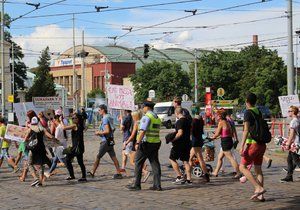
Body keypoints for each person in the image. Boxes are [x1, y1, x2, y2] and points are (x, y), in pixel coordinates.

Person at [127, 101, 162, 191]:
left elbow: (142, 131)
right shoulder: (157, 117)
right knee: (155, 164)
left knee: (138, 163)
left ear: (147, 107)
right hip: (155, 143)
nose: (142, 109)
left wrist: (137, 143)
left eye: (143, 107)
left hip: (145, 143)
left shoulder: (146, 117)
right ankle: (157, 185)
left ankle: (137, 185)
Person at [239, 93, 266, 201]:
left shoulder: (248, 112)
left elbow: (246, 130)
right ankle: (260, 196)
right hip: (261, 144)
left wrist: (242, 145)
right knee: (258, 170)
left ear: (246, 101)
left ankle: (258, 188)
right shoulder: (258, 111)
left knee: (242, 167)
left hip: (253, 145)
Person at [88, 105, 123, 179]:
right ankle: (118, 172)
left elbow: (107, 131)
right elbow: (113, 129)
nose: (98, 111)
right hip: (110, 139)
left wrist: (98, 132)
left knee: (98, 156)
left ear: (103, 110)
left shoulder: (105, 118)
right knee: (113, 157)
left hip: (106, 141)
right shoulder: (109, 117)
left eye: (99, 110)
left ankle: (92, 172)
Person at [25, 116, 55, 187]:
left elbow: (25, 139)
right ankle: (40, 182)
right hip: (41, 149)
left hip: (33, 149)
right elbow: (50, 136)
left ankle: (35, 178)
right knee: (41, 164)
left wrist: (30, 139)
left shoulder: (30, 129)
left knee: (29, 163)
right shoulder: (42, 129)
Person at [211, 111, 241, 178]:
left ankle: (238, 173)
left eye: (217, 115)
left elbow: (217, 133)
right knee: (220, 157)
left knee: (231, 158)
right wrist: (217, 136)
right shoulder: (227, 122)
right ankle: (215, 172)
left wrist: (213, 137)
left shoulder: (221, 122)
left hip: (225, 142)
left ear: (220, 116)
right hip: (229, 140)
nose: (216, 117)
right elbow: (226, 133)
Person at [169, 107, 192, 184]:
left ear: (177, 113)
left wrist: (173, 139)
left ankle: (179, 176)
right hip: (187, 143)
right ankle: (189, 179)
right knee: (186, 161)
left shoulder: (179, 122)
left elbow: (180, 133)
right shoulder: (188, 121)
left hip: (179, 144)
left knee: (172, 158)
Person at [62, 113, 87, 182]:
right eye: (72, 118)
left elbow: (63, 128)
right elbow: (85, 127)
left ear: (78, 119)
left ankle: (72, 175)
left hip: (76, 147)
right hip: (79, 146)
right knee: (80, 162)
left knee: (67, 160)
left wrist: (60, 120)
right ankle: (83, 177)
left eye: (74, 118)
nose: (73, 119)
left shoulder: (74, 125)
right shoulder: (81, 125)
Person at [281, 105, 300, 182]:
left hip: (295, 143)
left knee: (296, 160)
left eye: (289, 111)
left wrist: (288, 143)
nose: (288, 112)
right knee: (289, 159)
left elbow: (292, 134)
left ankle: (289, 176)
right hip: (295, 142)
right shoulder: (296, 120)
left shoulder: (294, 121)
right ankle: (289, 176)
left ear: (293, 112)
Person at [190, 114, 210, 182]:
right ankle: (187, 174)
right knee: (190, 158)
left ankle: (206, 174)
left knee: (199, 158)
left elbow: (191, 132)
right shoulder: (200, 124)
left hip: (195, 142)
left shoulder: (194, 123)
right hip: (199, 141)